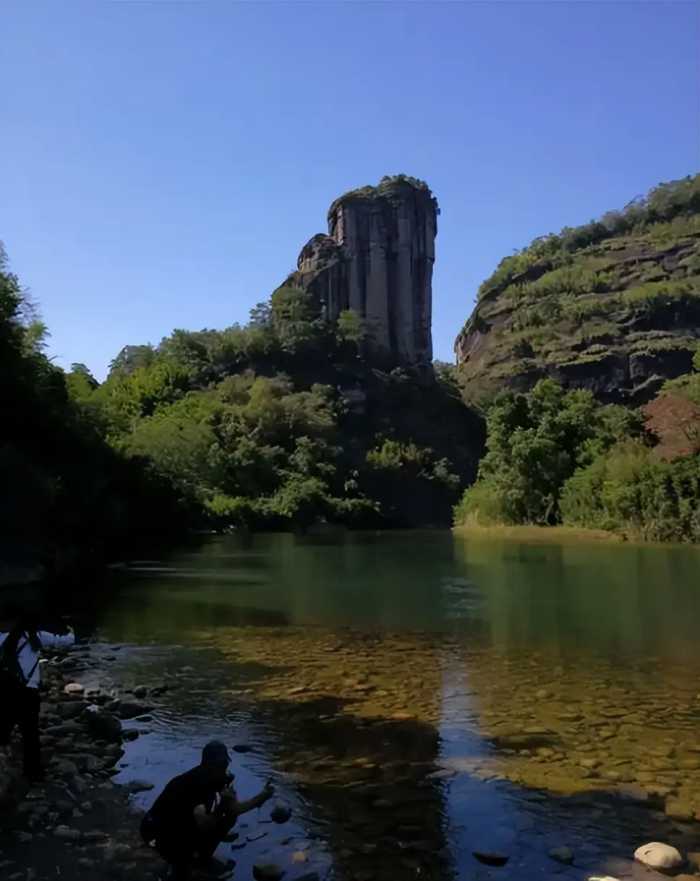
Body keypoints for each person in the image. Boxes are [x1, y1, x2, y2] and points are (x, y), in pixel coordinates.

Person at [141, 740, 275, 881]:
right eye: (220, 764)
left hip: (181, 824)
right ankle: (183, 866)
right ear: (208, 765)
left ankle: (201, 858)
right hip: (155, 832)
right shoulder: (195, 784)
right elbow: (205, 824)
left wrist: (263, 796)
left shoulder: (218, 778)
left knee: (230, 817)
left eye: (225, 763)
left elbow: (235, 809)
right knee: (183, 867)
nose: (224, 767)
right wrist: (222, 806)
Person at [0, 607, 75, 781]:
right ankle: (33, 773)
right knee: (30, 735)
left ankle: (4, 763)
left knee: (4, 727)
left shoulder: (1, 638)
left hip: (7, 690)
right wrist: (71, 629)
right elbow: (67, 641)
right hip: (29, 692)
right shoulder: (36, 638)